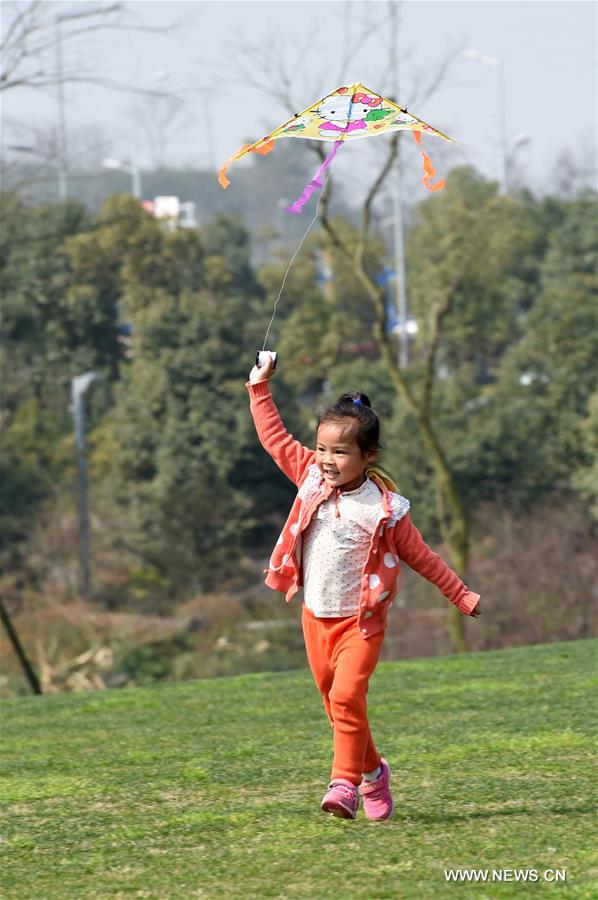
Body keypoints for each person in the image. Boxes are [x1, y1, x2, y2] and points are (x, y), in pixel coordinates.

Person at [246, 353, 481, 821]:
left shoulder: (384, 509)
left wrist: (460, 594)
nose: (328, 461)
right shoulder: (310, 476)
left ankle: (343, 786)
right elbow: (274, 439)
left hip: (361, 625)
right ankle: (374, 773)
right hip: (315, 619)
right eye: (322, 449)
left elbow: (422, 557)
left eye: (340, 452)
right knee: (338, 711)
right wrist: (258, 386)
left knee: (347, 698)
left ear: (367, 456)